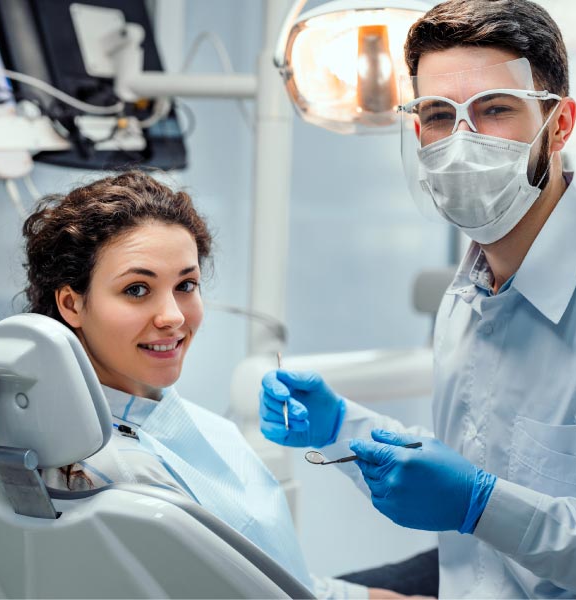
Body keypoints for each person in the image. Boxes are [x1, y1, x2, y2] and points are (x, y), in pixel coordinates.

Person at [259, 1, 576, 598]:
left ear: (561, 124)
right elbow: (476, 468)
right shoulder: (470, 292)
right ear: (418, 129)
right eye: (440, 114)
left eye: (494, 109)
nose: (462, 140)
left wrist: (484, 506)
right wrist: (342, 428)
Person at [22, 170, 407, 600]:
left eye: (185, 285)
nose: (173, 316)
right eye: (136, 289)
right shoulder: (118, 475)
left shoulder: (157, 418)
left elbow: (272, 575)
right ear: (72, 303)